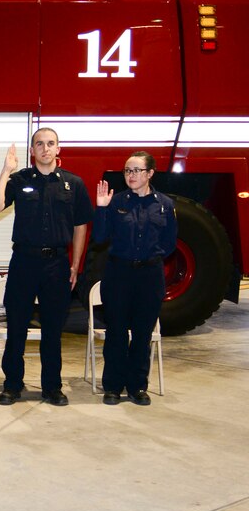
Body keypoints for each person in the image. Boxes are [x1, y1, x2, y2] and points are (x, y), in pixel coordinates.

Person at [0, 128, 93, 406]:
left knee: (53, 329)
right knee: (17, 327)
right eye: (39, 144)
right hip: (24, 261)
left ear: (59, 148)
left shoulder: (74, 184)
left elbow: (81, 225)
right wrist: (5, 170)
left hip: (57, 264)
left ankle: (52, 387)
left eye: (50, 144)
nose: (45, 148)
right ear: (32, 150)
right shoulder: (19, 179)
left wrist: (75, 264)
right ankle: (12, 385)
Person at [93, 152, 177, 406]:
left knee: (142, 334)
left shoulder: (165, 204)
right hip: (119, 274)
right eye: (127, 171)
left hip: (149, 276)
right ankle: (113, 387)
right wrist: (101, 208)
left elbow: (169, 242)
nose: (131, 175)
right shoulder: (116, 201)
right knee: (116, 332)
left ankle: (137, 386)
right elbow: (99, 237)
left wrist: (150, 258)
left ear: (150, 173)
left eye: (137, 170)